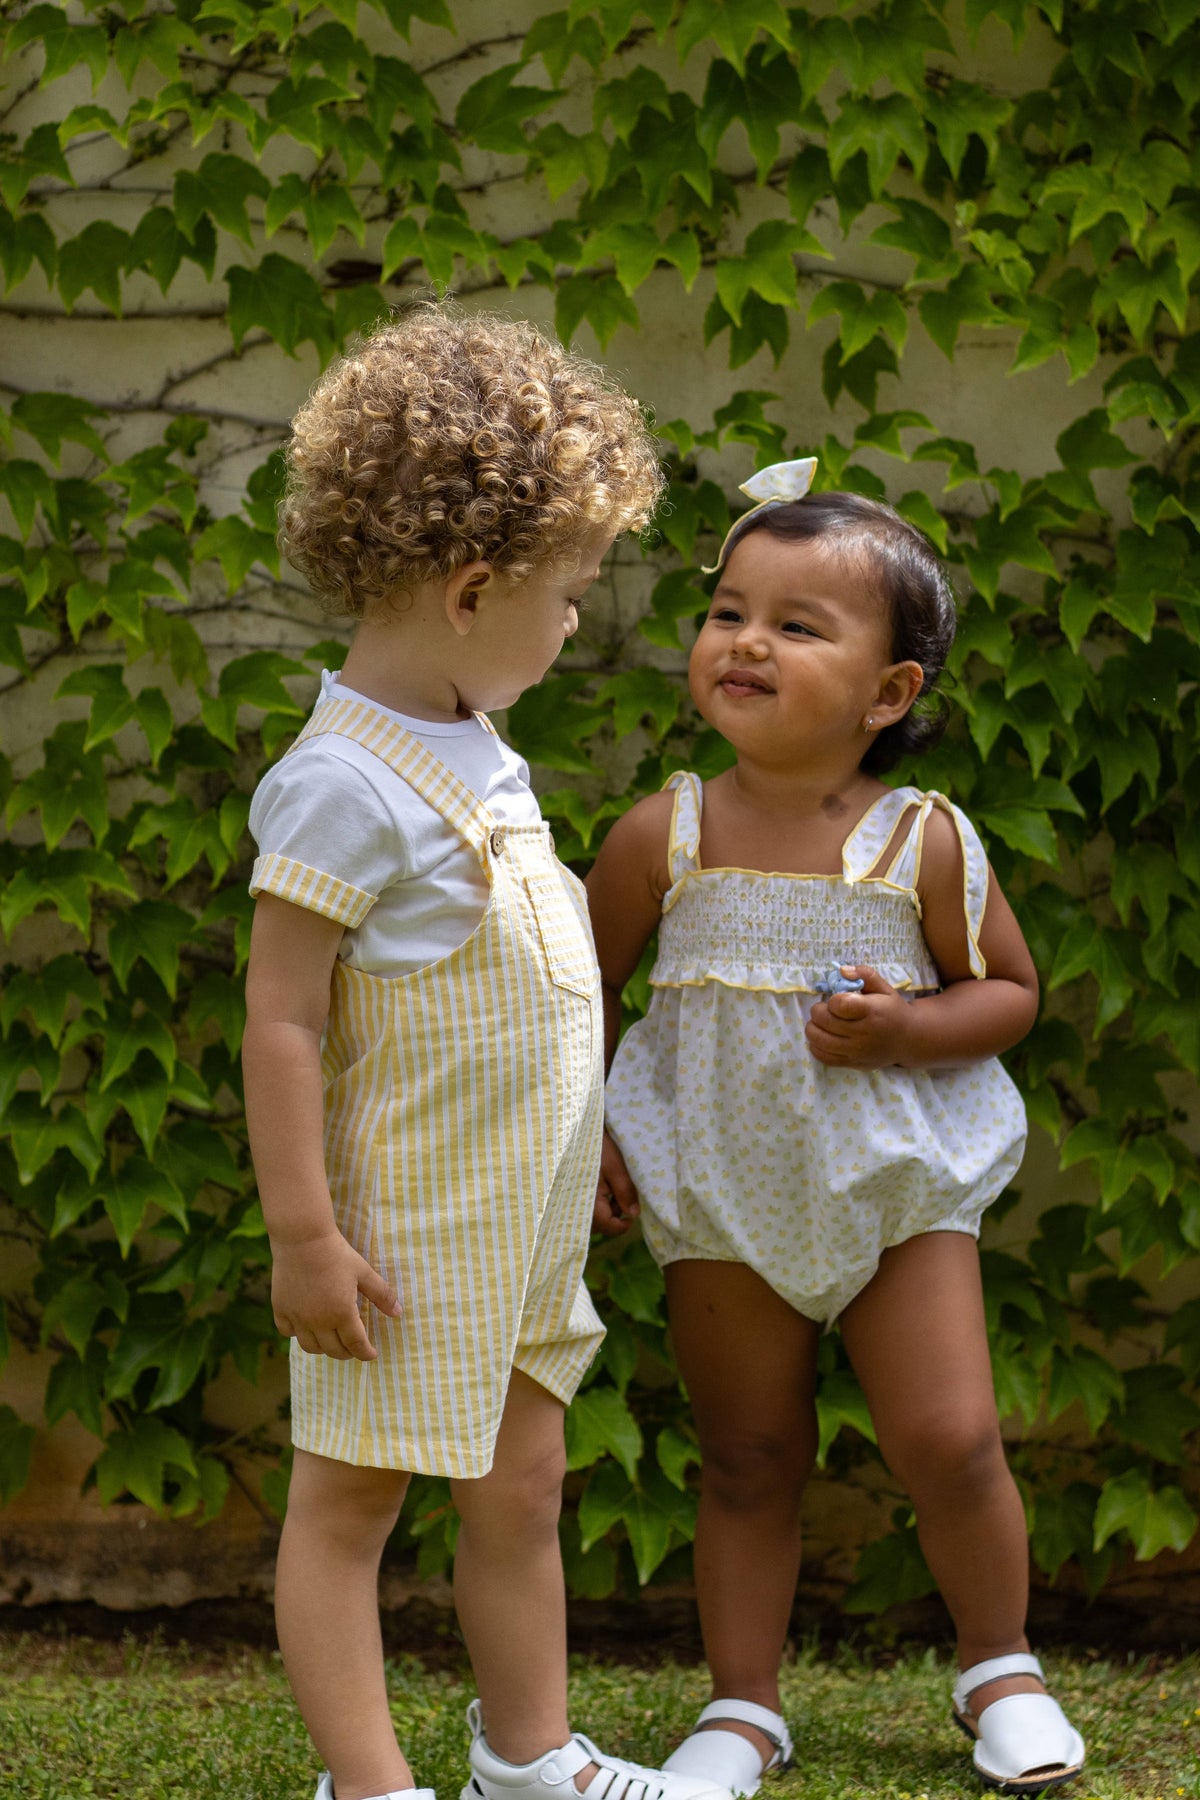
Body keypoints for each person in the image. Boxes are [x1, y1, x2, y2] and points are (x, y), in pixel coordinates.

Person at [242, 306, 732, 1800]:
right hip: (398, 1233)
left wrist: (569, 1153)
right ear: (472, 590)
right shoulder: (338, 785)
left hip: (509, 1218)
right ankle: (370, 1786)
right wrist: (304, 1235)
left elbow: (519, 998)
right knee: (348, 1507)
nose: (580, 622)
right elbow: (282, 1019)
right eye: (573, 592)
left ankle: (528, 1758)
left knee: (522, 1483)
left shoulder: (473, 734)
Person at [585, 465, 1086, 1799]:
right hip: (717, 1190)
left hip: (893, 1185)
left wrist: (914, 1029)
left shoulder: (923, 841)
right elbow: (576, 996)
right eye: (729, 611)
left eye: (799, 626)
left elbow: (1010, 991)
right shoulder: (661, 839)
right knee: (746, 1452)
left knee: (953, 1438)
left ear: (889, 694)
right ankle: (741, 1711)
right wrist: (590, 1137)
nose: (746, 641)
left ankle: (1002, 1668)